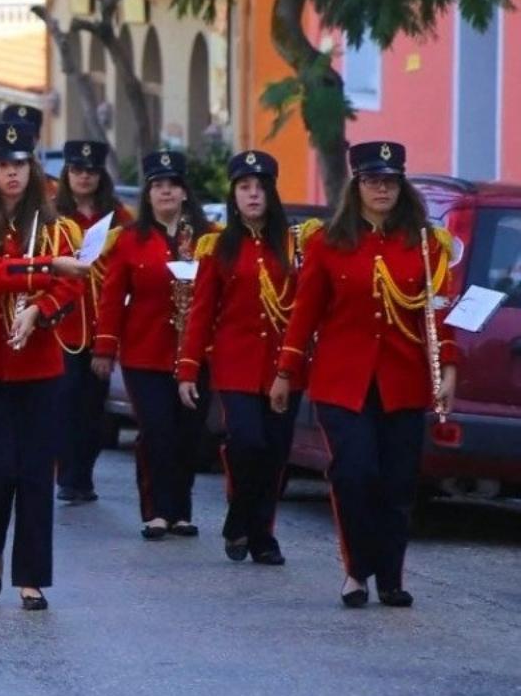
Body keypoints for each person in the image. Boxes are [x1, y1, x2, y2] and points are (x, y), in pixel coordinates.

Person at [269, 141, 458, 608]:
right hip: (342, 382)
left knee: (397, 482)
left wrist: (448, 368)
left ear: (402, 186)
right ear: (357, 186)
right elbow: (304, 314)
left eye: (390, 181)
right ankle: (356, 571)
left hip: (403, 380)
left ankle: (391, 577)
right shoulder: (326, 243)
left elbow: (438, 312)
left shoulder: (425, 245)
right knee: (355, 473)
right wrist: (285, 372)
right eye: (373, 181)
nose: (382, 189)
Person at [0, 121, 86, 611]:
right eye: (4, 166)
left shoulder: (54, 227)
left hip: (40, 364)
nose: (13, 174)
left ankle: (32, 577)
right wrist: (46, 270)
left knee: (34, 473)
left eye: (21, 165)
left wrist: (39, 309)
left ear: (32, 168)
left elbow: (73, 284)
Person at [176, 151, 311, 565]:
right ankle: (240, 518)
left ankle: (260, 534)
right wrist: (188, 368)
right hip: (235, 363)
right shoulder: (217, 246)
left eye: (260, 187)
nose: (253, 195)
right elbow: (201, 311)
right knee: (247, 442)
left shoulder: (295, 243)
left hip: (285, 365)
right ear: (233, 196)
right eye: (244, 188)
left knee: (274, 451)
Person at [91, 150, 212, 540]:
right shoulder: (129, 240)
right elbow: (111, 297)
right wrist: (104, 349)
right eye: (158, 185)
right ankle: (157, 510)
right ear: (147, 193)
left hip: (196, 354)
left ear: (183, 191)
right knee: (157, 430)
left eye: (172, 185)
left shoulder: (208, 238)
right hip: (145, 352)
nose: (165, 192)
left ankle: (181, 510)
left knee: (189, 434)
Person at [52, 140, 116, 504]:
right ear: (67, 174)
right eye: (77, 170)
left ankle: (83, 475)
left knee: (94, 404)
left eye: (90, 171)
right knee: (64, 398)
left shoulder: (118, 217)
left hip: (102, 322)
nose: (84, 177)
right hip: (62, 324)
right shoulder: (51, 215)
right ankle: (67, 474)